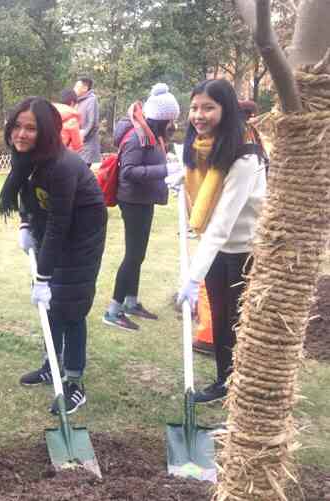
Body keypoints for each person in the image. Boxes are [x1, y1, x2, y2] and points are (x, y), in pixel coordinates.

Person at [0, 97, 107, 414]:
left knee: (70, 307)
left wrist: (44, 276)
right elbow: (27, 195)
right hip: (52, 227)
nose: (21, 134)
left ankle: (74, 383)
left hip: (82, 236)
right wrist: (24, 223)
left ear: (45, 131)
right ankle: (51, 364)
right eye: (17, 126)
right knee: (49, 305)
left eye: (30, 128)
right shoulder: (26, 158)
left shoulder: (61, 165)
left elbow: (62, 224)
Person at [177, 79, 266, 403]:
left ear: (225, 110)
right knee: (218, 316)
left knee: (239, 320)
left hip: (245, 249)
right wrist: (180, 176)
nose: (198, 115)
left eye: (208, 108)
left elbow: (221, 225)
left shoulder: (244, 157)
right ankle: (222, 382)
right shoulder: (205, 147)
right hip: (218, 249)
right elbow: (200, 188)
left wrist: (192, 276)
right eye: (195, 107)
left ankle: (245, 384)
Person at [103, 83, 181, 331]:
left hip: (143, 199)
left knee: (139, 255)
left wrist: (166, 161)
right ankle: (113, 311)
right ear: (161, 117)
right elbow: (128, 172)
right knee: (133, 256)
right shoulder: (138, 136)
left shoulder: (152, 133)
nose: (172, 125)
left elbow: (149, 159)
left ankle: (131, 302)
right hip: (133, 201)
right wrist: (165, 169)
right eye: (170, 120)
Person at [73, 77, 101, 166]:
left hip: (86, 146)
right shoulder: (78, 101)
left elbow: (92, 123)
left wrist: (83, 136)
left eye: (77, 86)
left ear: (85, 88)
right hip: (78, 145)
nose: (74, 89)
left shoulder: (91, 100)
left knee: (80, 174)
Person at [52, 89, 82, 153]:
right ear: (72, 103)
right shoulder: (72, 119)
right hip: (59, 154)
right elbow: (77, 145)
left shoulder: (47, 111)